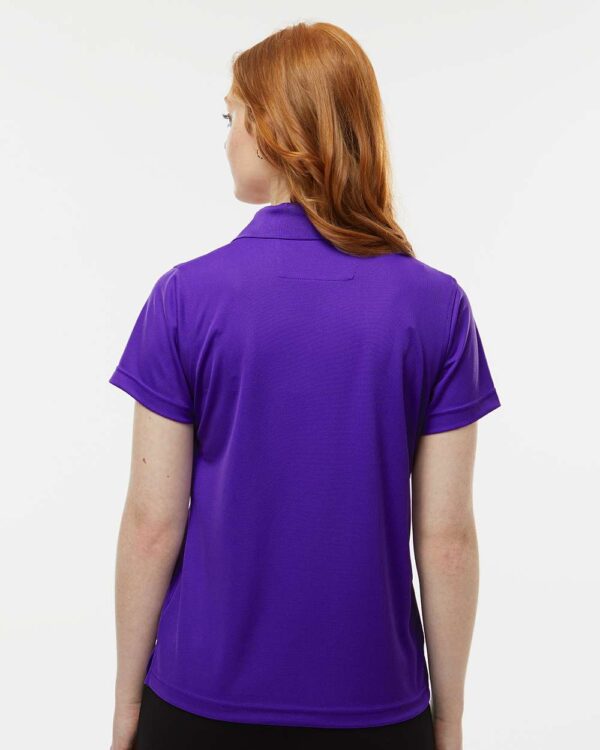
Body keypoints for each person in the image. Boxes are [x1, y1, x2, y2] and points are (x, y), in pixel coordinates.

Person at [108, 21, 501, 750]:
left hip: (200, 705)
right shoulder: (435, 306)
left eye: (232, 117)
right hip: (378, 708)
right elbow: (446, 537)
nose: (228, 139)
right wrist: (448, 720)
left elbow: (151, 523)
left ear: (275, 129)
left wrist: (127, 703)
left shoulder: (185, 298)